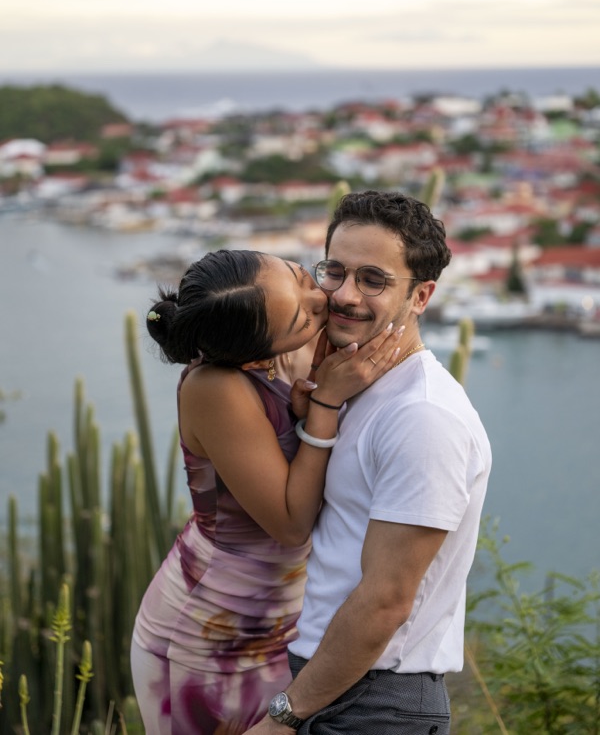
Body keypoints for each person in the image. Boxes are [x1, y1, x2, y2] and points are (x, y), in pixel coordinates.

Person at [246, 191, 492, 735]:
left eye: (373, 280)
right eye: (335, 270)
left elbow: (386, 600)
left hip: (374, 704)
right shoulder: (354, 387)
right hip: (337, 685)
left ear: (421, 295)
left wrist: (284, 716)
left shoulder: (423, 416)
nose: (345, 294)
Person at [130, 248, 405, 735]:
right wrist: (323, 405)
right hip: (216, 629)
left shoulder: (286, 353)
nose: (320, 297)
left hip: (283, 615)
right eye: (304, 316)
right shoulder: (215, 387)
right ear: (254, 353)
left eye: (300, 276)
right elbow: (290, 523)